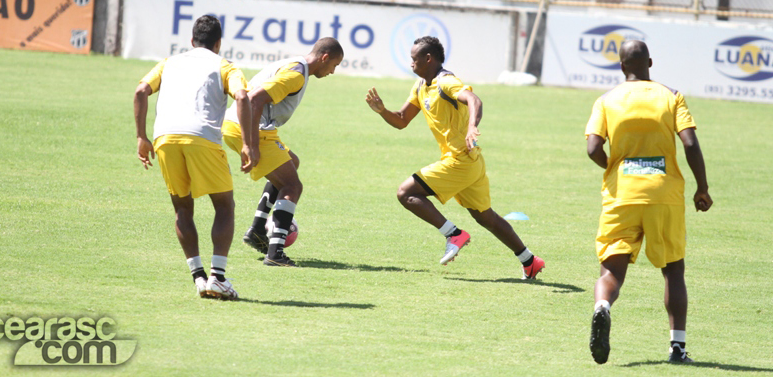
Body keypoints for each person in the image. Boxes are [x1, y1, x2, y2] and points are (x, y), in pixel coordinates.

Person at [365, 36, 545, 278]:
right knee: (486, 217)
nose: (411, 63)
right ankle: (529, 260)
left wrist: (472, 126)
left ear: (428, 59)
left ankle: (453, 234)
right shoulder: (420, 85)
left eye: (414, 58)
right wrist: (382, 111)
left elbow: (473, 99)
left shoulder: (446, 82)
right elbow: (401, 120)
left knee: (405, 193)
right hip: (470, 162)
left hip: (460, 161)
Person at [584, 39, 713, 365]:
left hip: (622, 194)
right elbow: (690, 142)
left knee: (612, 268)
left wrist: (612, 166)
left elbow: (592, 148)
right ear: (650, 63)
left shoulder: (606, 100)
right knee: (673, 271)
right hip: (663, 194)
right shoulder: (671, 96)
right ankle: (677, 348)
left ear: (621, 66)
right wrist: (702, 187)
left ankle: (602, 307)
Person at [134, 14, 258, 301]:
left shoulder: (169, 62)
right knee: (224, 206)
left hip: (165, 137)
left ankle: (199, 277)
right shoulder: (225, 65)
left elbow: (141, 90)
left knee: (182, 208)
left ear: (192, 41)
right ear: (218, 43)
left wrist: (142, 137)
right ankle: (218, 276)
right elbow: (242, 97)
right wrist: (248, 144)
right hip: (202, 137)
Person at [223, 37, 344, 267]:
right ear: (324, 57)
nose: (333, 71)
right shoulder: (296, 74)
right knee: (292, 186)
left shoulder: (295, 65)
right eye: (334, 65)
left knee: (292, 162)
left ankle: (258, 229)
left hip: (243, 126)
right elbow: (254, 99)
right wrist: (252, 145)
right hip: (247, 128)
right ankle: (275, 253)